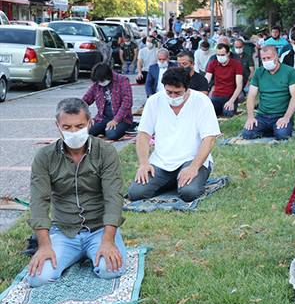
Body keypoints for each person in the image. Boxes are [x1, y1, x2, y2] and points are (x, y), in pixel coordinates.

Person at [27, 98, 126, 287]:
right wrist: (44, 244)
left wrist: (108, 239)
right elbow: (39, 200)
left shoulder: (105, 152)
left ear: (90, 122)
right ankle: (72, 253)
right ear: (58, 126)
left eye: (79, 126)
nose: (73, 132)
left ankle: (99, 247)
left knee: (110, 270)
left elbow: (114, 196)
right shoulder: (45, 157)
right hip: (64, 231)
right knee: (38, 278)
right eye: (67, 127)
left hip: (99, 229)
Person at [127, 68, 220, 202]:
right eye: (169, 92)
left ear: (187, 88)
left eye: (177, 93)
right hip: (161, 161)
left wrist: (194, 167)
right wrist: (144, 163)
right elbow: (143, 134)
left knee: (189, 193)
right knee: (135, 193)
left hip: (192, 159)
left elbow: (209, 139)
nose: (173, 97)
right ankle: (171, 181)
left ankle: (181, 181)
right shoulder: (154, 101)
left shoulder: (202, 101)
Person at [242, 46, 295, 140]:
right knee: (247, 134)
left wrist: (286, 117)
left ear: (276, 57)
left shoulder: (290, 71)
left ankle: (278, 129)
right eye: (263, 59)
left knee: (282, 135)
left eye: (269, 58)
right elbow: (251, 95)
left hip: (280, 115)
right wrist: (250, 117)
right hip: (262, 116)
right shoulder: (259, 72)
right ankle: (270, 129)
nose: (266, 61)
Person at [82, 63, 133, 141]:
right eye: (98, 82)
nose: (100, 83)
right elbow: (85, 100)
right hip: (102, 118)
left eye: (101, 81)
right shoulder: (97, 84)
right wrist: (86, 117)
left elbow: (127, 102)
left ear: (108, 76)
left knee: (112, 134)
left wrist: (116, 120)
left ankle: (119, 128)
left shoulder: (122, 80)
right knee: (85, 131)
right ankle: (104, 128)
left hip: (121, 119)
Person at [205, 44, 243, 117]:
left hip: (231, 96)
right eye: (218, 55)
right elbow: (206, 79)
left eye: (222, 55)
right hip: (216, 96)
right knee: (207, 114)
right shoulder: (213, 63)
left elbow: (239, 86)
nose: (220, 57)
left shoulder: (236, 64)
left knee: (228, 114)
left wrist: (231, 101)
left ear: (228, 53)